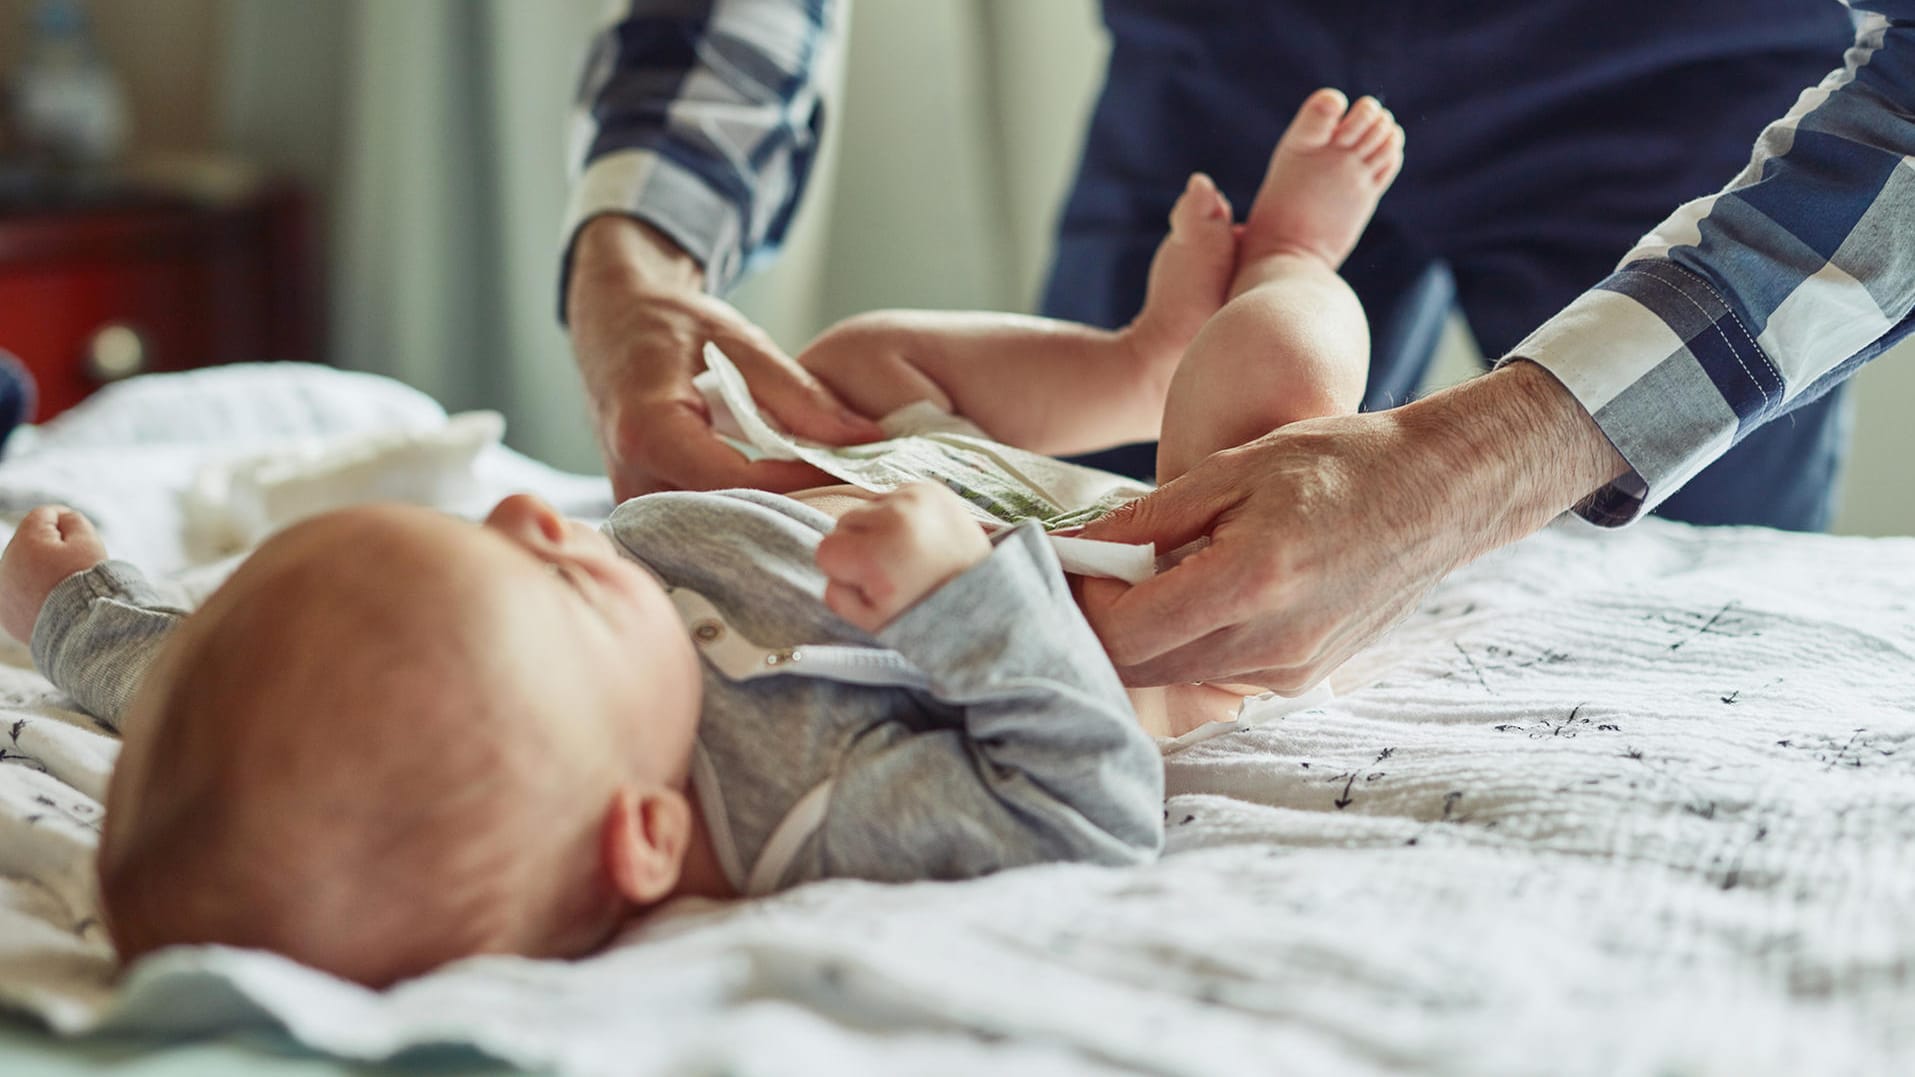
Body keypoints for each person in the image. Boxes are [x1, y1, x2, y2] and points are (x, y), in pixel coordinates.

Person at [0, 92, 1398, 987]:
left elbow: (210, 689)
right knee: (1258, 393)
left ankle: (1134, 352)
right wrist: (970, 600)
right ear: (647, 837)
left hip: (869, 476)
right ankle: (1290, 274)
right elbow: (1082, 805)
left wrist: (71, 607)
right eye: (550, 578)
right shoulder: (807, 808)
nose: (529, 513)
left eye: (499, 541)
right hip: (1130, 578)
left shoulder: (437, 715)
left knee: (853, 355)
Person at [562, 2, 1911, 691]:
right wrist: (641, 245)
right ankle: (1271, 283)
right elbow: (1064, 758)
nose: (531, 529)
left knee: (895, 367)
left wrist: (1485, 456)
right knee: (1204, 551)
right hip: (1233, 38)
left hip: (1686, 57)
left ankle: (1186, 330)